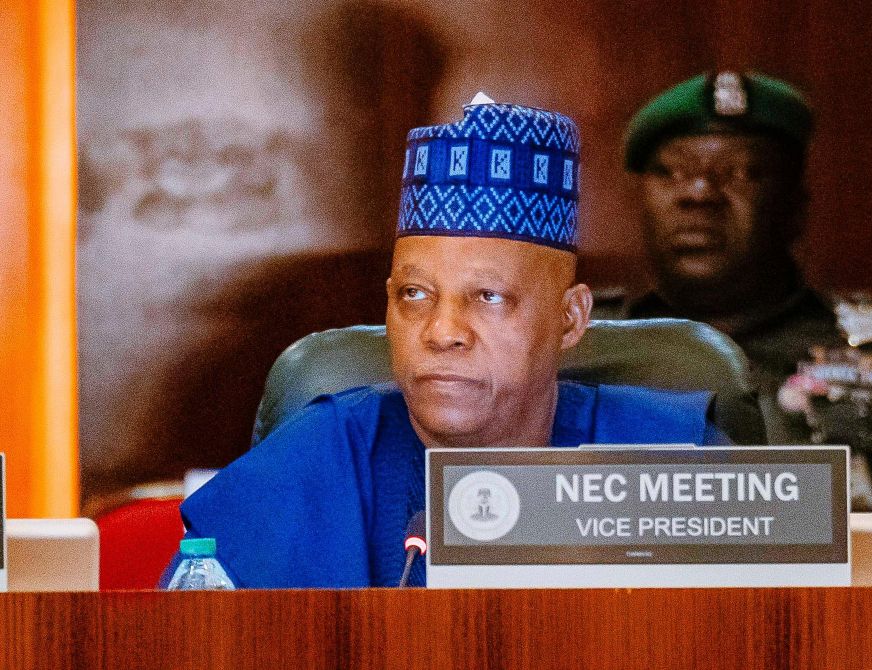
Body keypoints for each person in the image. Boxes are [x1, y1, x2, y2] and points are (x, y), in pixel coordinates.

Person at [171, 99, 731, 588]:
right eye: (414, 294)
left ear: (570, 318)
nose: (442, 332)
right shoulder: (315, 460)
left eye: (488, 297)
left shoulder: (675, 457)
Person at [607, 71, 872, 583]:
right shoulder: (582, 355)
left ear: (796, 209)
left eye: (740, 173)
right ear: (640, 202)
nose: (699, 194)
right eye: (671, 172)